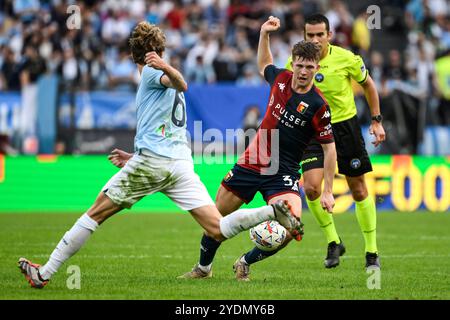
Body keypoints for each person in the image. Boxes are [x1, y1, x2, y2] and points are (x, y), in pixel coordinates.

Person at [17, 22, 302, 289]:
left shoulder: (153, 71)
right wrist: (134, 157)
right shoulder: (156, 77)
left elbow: (181, 84)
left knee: (94, 214)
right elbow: (162, 122)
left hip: (155, 163)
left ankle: (44, 274)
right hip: (177, 164)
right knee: (216, 228)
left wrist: (164, 65)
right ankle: (270, 212)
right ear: (159, 48)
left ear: (134, 55)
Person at [108, 16, 337, 281]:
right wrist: (264, 33)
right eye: (299, 65)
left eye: (309, 67)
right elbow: (264, 63)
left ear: (316, 67)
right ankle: (203, 268)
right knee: (216, 217)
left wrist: (328, 191)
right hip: (252, 162)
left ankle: (245, 261)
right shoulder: (282, 80)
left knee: (290, 228)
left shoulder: (318, 105)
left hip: (283, 170)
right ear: (293, 64)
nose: (304, 72)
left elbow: (329, 149)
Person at [284, 14, 385, 270]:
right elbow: (285, 94)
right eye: (311, 35)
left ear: (329, 35)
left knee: (359, 189)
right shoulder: (295, 62)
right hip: (313, 131)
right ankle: (333, 241)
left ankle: (371, 251)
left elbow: (370, 86)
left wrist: (376, 120)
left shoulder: (347, 58)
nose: (316, 40)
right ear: (304, 36)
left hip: (345, 128)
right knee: (311, 189)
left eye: (320, 34)